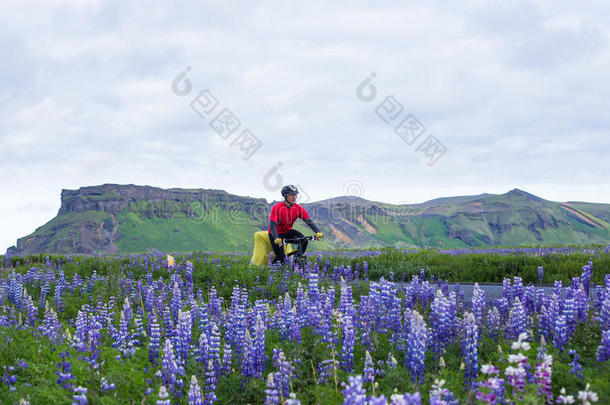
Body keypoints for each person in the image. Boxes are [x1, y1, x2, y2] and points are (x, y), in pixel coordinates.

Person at [268, 185, 323, 264]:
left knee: (304, 240)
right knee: (280, 257)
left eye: (295, 194)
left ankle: (296, 258)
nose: (294, 197)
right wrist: (276, 238)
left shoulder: (298, 208)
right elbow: (272, 224)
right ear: (285, 196)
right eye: (292, 195)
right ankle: (273, 269)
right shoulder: (277, 207)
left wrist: (317, 232)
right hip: (275, 234)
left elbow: (308, 221)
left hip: (287, 231)